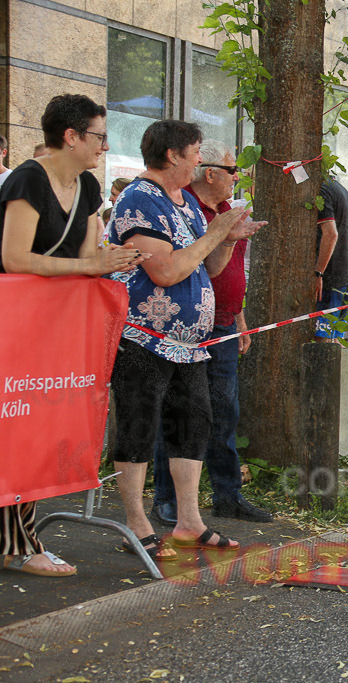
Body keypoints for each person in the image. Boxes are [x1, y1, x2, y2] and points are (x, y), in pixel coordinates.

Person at [1, 94, 148, 577]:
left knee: (24, 431)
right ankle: (18, 545)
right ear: (71, 135)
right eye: (100, 136)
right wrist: (90, 265)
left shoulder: (87, 185)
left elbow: (89, 256)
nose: (106, 147)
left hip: (43, 327)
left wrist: (114, 262)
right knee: (13, 430)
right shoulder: (27, 178)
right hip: (11, 323)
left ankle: (18, 543)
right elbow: (15, 258)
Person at [107, 120, 264, 561]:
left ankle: (189, 522)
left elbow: (206, 269)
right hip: (144, 337)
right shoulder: (140, 198)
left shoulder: (186, 203)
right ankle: (136, 524)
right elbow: (165, 270)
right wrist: (215, 233)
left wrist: (228, 240)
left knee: (193, 424)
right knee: (139, 427)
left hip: (189, 342)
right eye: (195, 152)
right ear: (173, 155)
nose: (200, 160)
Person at [150, 140, 272, 527]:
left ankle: (227, 494)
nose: (238, 177)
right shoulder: (184, 209)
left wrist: (239, 317)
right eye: (234, 171)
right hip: (186, 327)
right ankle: (166, 499)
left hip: (222, 323)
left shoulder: (225, 211)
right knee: (178, 413)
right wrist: (222, 236)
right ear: (212, 174)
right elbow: (199, 268)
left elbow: (229, 273)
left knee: (225, 411)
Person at [313, 176, 348, 342]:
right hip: (342, 278)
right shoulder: (340, 189)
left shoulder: (322, 190)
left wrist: (318, 273)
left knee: (321, 342)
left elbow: (331, 234)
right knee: (335, 340)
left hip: (328, 281)